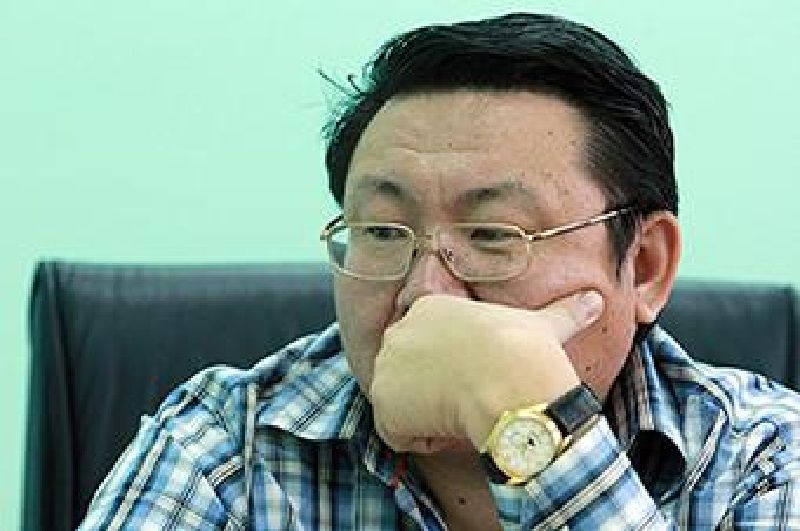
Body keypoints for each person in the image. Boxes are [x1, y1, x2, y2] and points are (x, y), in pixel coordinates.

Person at [79, 12, 799, 530]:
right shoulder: (226, 448)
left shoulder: (765, 458)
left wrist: (539, 434)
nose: (426, 295)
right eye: (382, 231)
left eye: (492, 234)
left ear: (644, 267)